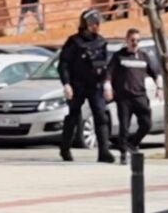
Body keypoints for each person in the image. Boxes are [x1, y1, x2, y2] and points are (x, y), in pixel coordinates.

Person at [58, 9, 115, 163]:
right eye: (94, 23)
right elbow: (63, 64)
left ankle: (104, 152)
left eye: (98, 23)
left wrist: (107, 83)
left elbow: (105, 65)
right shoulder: (74, 42)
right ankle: (65, 148)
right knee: (73, 117)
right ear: (87, 24)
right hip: (78, 85)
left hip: (95, 85)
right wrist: (66, 84)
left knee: (101, 116)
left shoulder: (101, 42)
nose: (97, 26)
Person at [105, 28, 160, 165]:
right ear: (127, 40)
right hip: (124, 98)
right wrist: (108, 87)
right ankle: (123, 153)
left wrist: (159, 88)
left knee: (146, 124)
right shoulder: (119, 56)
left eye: (137, 40)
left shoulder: (144, 56)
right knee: (124, 127)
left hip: (140, 96)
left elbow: (155, 74)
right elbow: (109, 73)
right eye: (132, 40)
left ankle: (133, 144)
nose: (135, 43)